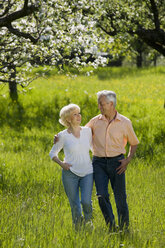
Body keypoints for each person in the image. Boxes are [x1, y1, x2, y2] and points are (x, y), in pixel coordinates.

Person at [86, 90, 139, 231]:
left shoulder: (125, 122)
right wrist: (61, 137)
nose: (99, 107)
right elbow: (80, 135)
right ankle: (111, 227)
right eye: (99, 104)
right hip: (98, 163)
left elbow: (134, 143)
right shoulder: (94, 121)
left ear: (111, 104)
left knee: (120, 198)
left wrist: (127, 160)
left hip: (118, 163)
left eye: (102, 104)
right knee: (101, 195)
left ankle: (124, 229)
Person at [49, 103, 93, 229]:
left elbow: (94, 148)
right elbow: (52, 153)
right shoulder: (62, 136)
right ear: (68, 119)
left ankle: (89, 221)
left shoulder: (88, 131)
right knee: (74, 204)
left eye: (79, 113)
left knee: (86, 201)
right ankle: (78, 228)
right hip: (70, 174)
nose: (79, 116)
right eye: (75, 114)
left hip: (87, 172)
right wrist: (62, 164)